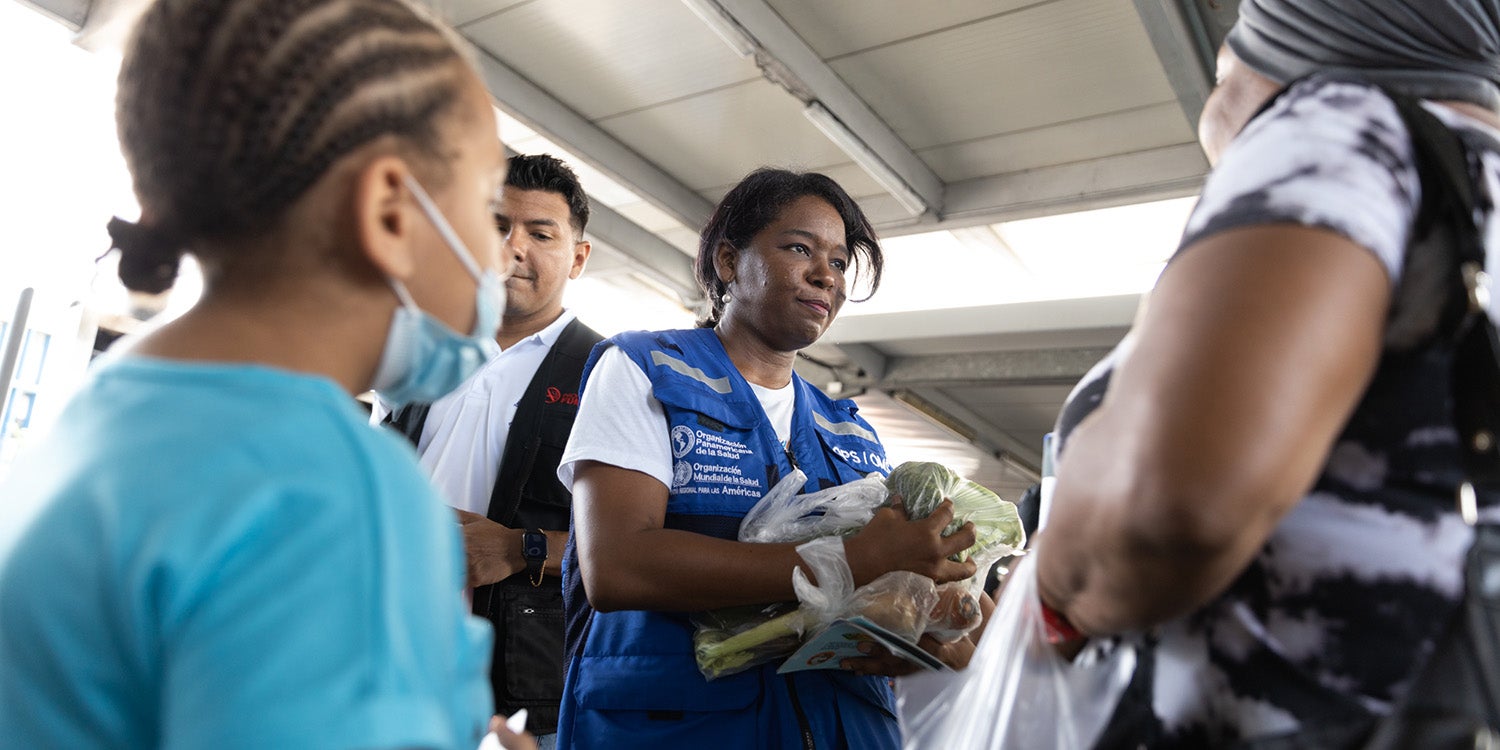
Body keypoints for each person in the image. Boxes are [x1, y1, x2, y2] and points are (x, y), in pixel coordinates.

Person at [0, 0, 532, 747]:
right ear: (388, 211)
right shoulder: (328, 488)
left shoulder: (104, 408)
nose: (504, 254)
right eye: (486, 205)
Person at [1033, 0, 1500, 746]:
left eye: (1225, 67)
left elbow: (1161, 508)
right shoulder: (1478, 185)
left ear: (1289, 56)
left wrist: (1053, 600)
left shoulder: (1345, 120)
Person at [553, 167, 983, 749]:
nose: (823, 276)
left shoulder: (850, 431)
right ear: (729, 263)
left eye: (838, 262)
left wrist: (924, 638)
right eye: (799, 249)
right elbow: (618, 565)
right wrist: (851, 560)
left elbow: (896, 603)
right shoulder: (645, 368)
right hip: (681, 727)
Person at [376, 153, 601, 747]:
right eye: (498, 226)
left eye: (540, 233)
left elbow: (649, 545)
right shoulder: (421, 355)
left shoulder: (611, 375)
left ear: (578, 257)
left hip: (518, 695)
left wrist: (520, 548)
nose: (512, 246)